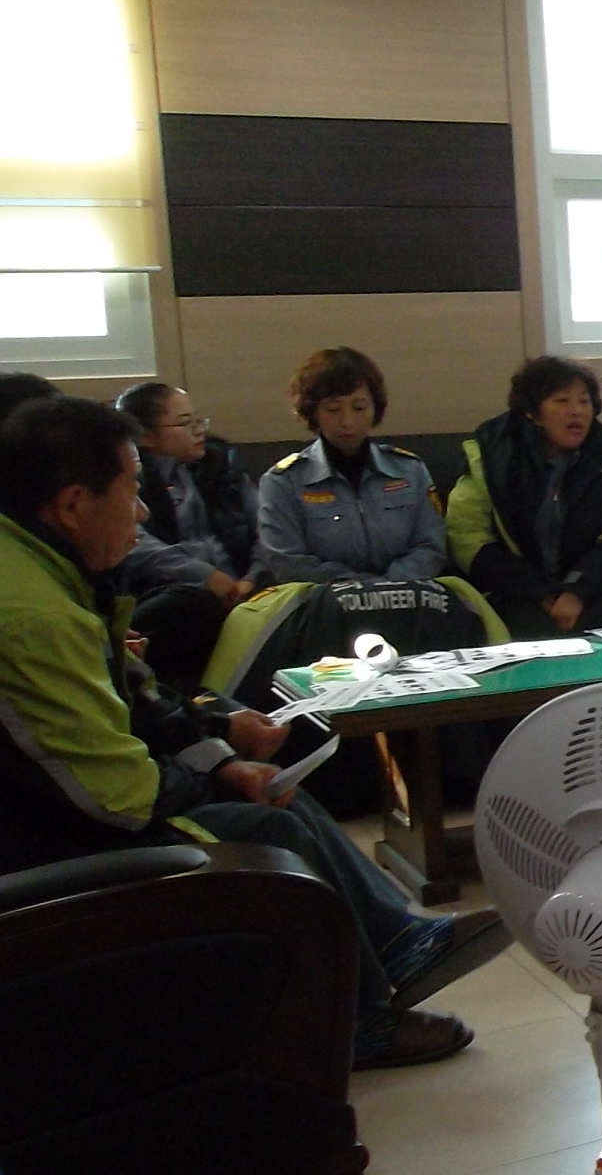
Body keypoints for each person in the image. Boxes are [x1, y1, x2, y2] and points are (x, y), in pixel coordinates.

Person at [0, 395, 506, 1068]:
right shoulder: (36, 616)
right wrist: (217, 778)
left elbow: (138, 700)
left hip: (60, 804)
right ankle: (353, 1022)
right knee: (267, 827)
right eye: (131, 492)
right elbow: (116, 797)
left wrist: (219, 757)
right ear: (71, 505)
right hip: (40, 842)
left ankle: (395, 943)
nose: (143, 513)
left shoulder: (43, 569)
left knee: (279, 792)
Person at [447, 356, 602, 638]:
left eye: (584, 401)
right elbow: (467, 536)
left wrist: (577, 591)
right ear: (533, 412)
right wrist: (541, 593)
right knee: (528, 630)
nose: (576, 411)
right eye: (562, 401)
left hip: (594, 587)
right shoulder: (490, 452)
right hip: (514, 589)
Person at [112, 381, 262, 690]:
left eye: (198, 421)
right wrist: (206, 577)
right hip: (172, 593)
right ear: (146, 436)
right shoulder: (131, 476)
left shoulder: (224, 466)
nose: (198, 431)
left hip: (246, 587)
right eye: (184, 423)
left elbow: (268, 528)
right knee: (192, 605)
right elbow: (136, 543)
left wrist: (252, 578)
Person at [255, 347, 447, 584]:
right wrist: (359, 589)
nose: (347, 421)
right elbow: (287, 562)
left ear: (375, 408)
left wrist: (389, 587)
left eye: (359, 408)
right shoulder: (283, 482)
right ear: (313, 412)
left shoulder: (410, 470)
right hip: (323, 599)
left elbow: (431, 547)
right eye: (333, 409)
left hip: (406, 595)